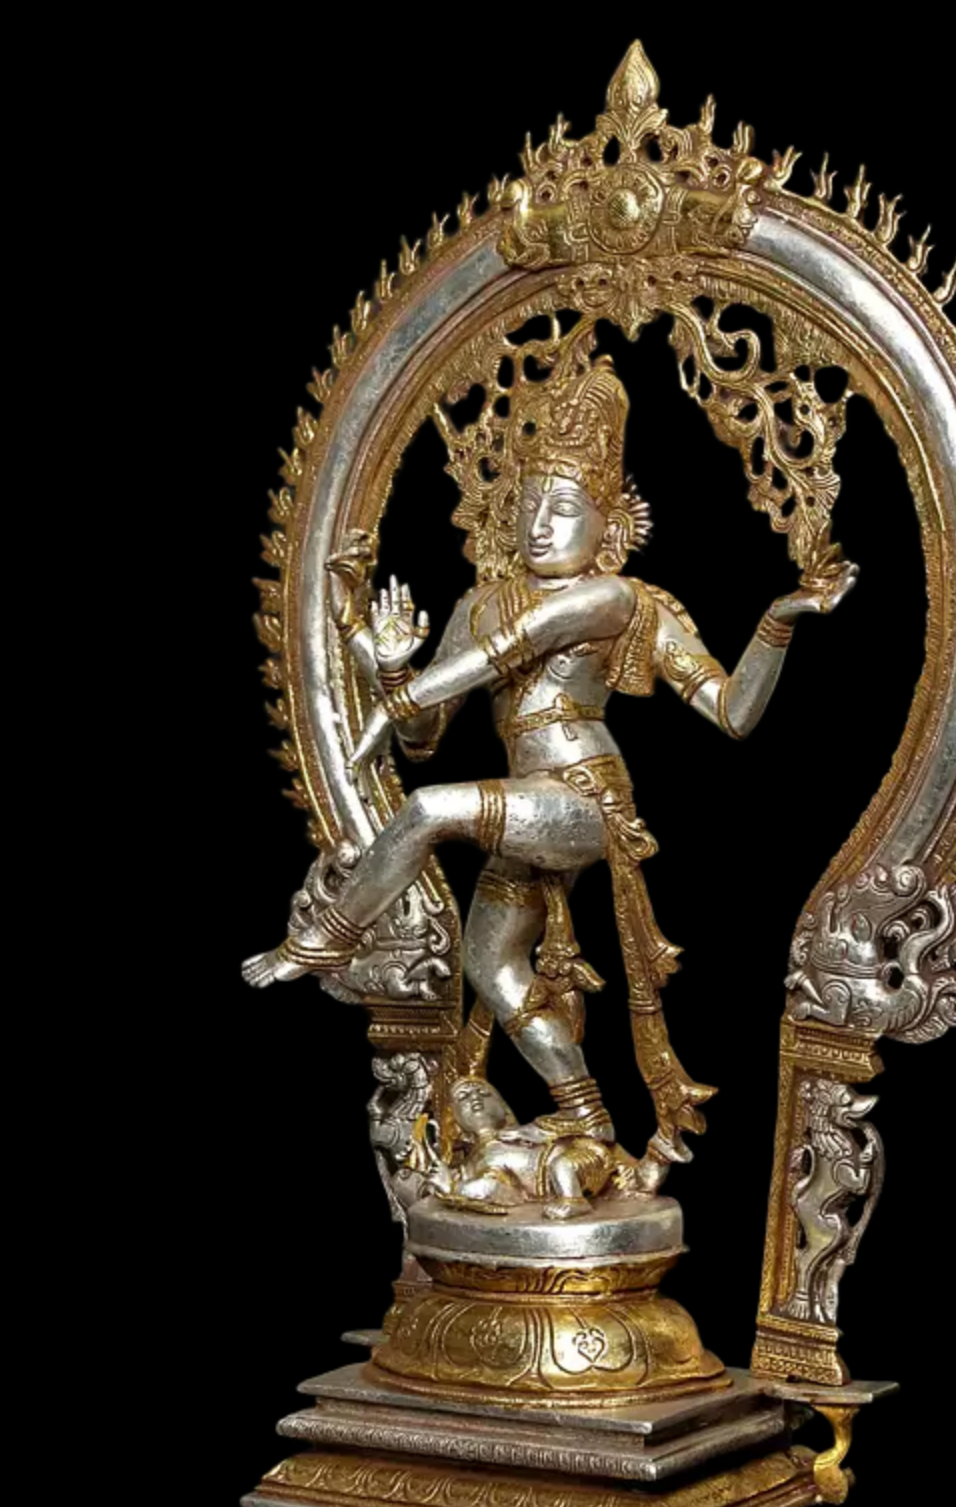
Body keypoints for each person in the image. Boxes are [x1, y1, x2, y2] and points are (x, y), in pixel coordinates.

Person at [244, 342, 855, 1170]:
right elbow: (423, 741)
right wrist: (388, 666)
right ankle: (587, 1115)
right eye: (530, 504)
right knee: (490, 963)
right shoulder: (479, 605)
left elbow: (732, 712)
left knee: (428, 812)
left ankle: (324, 939)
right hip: (523, 809)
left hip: (583, 800)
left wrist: (777, 622)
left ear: (610, 527)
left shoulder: (614, 598)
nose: (539, 525)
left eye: (563, 508)